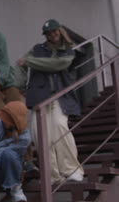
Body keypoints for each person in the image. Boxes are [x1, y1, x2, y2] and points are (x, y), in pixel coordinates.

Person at [17, 19, 84, 184]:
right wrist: (20, 84)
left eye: (54, 31)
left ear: (60, 31)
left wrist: (30, 62)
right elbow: (20, 64)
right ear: (45, 35)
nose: (52, 34)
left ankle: (72, 170)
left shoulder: (68, 51)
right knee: (39, 135)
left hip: (59, 97)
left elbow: (57, 65)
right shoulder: (37, 49)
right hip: (39, 96)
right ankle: (52, 175)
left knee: (59, 127)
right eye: (48, 33)